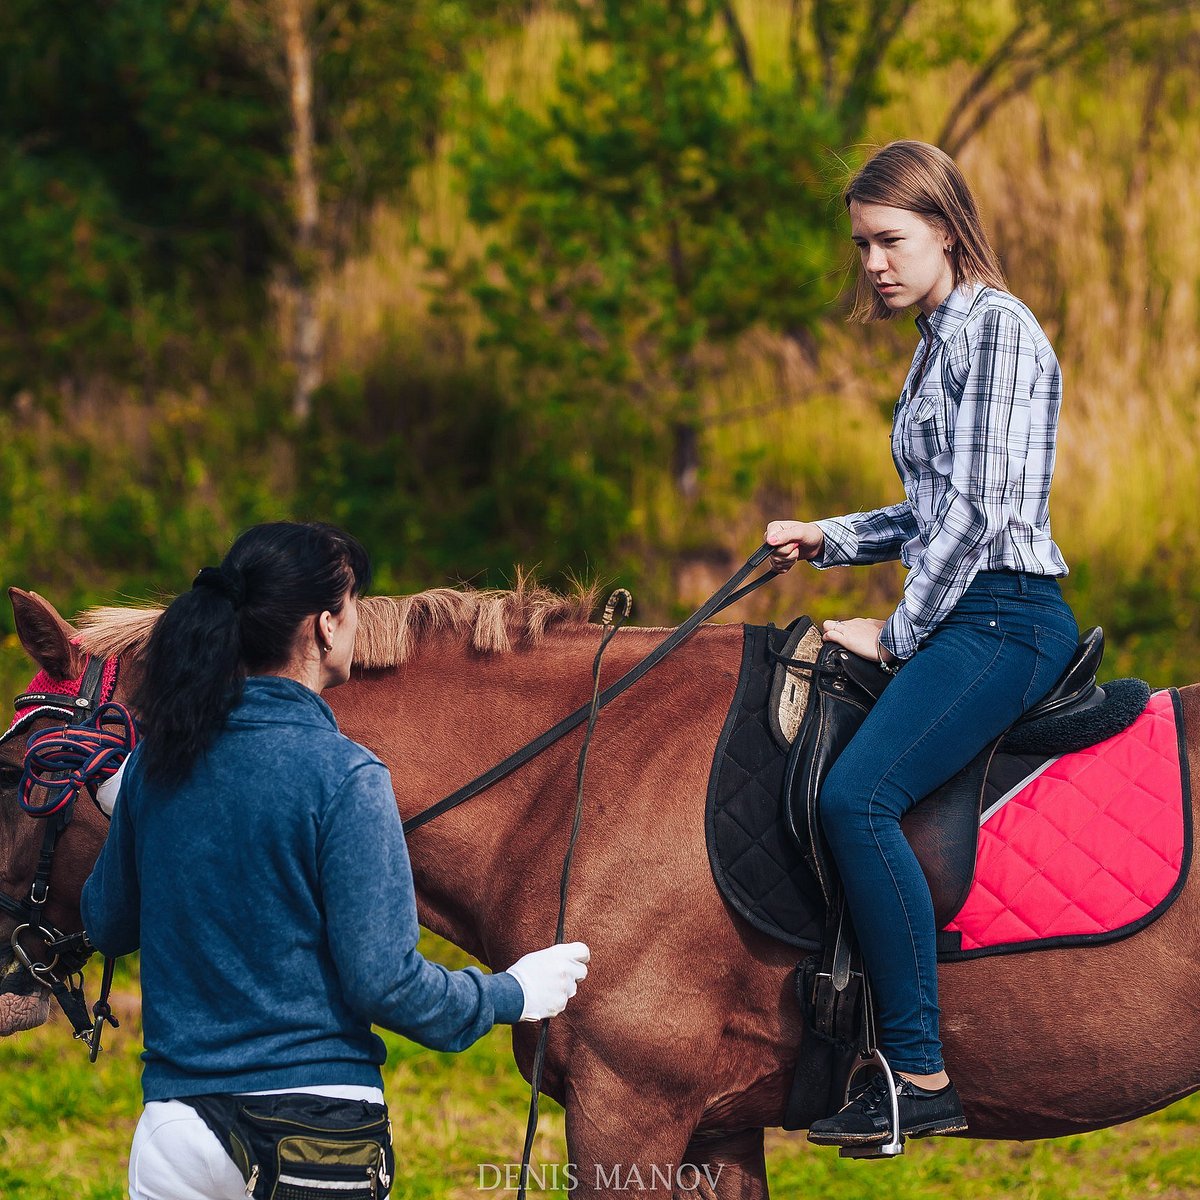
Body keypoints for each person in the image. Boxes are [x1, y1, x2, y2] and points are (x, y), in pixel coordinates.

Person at [81, 522, 590, 1199]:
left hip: (175, 1131)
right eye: (353, 606)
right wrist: (515, 993)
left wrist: (136, 816)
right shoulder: (346, 775)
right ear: (324, 626)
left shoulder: (155, 765)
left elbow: (108, 924)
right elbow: (386, 985)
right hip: (315, 1133)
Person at [765, 140, 1079, 1147]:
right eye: (862, 244)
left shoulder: (995, 332)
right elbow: (931, 507)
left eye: (890, 240)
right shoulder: (942, 336)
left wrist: (897, 635)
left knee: (857, 799)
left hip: (1003, 616)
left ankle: (919, 1075)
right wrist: (829, 538)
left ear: (946, 227)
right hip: (971, 605)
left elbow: (982, 518)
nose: (872, 264)